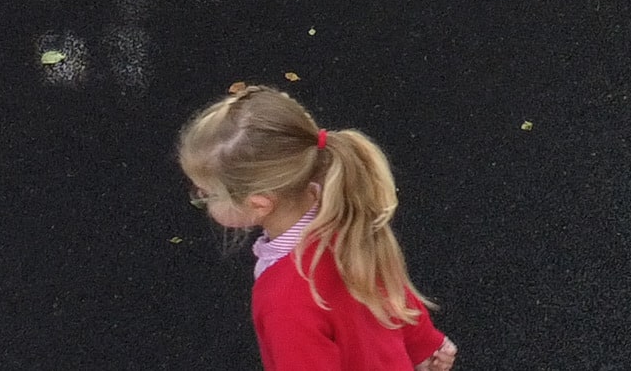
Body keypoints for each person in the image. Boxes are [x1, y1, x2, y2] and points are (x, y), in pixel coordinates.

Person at [177, 85, 458, 371]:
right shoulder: (345, 216)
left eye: (206, 194)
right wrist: (424, 343)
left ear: (259, 204)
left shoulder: (284, 299)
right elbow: (390, 289)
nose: (199, 198)